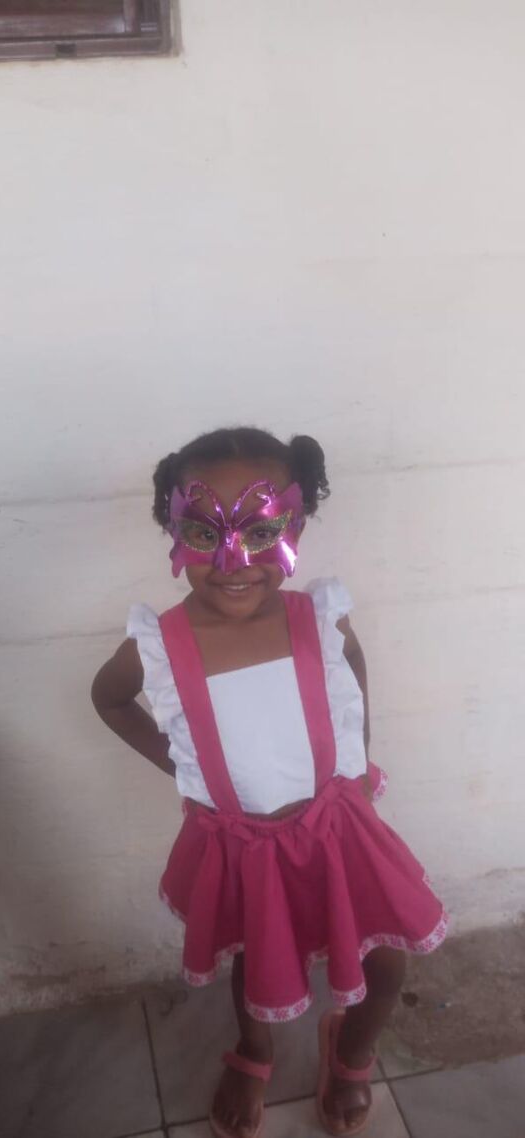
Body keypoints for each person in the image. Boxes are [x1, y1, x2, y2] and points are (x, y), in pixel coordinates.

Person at [91, 426, 447, 1138]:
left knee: (385, 967)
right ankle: (254, 1051)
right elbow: (109, 699)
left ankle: (352, 1051)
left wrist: (356, 754)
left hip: (340, 833)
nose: (236, 560)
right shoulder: (160, 645)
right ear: (175, 531)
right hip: (245, 848)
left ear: (296, 525)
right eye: (204, 531)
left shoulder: (317, 617)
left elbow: (352, 664)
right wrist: (183, 766)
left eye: (261, 532)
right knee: (256, 964)